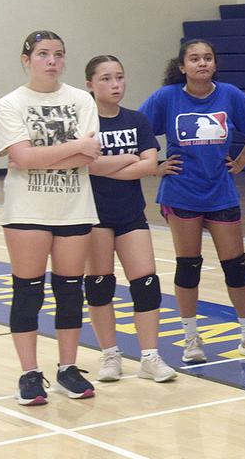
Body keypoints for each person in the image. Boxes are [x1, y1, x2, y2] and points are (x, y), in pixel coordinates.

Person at [139, 39, 245, 364]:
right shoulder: (167, 97)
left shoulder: (230, 95)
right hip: (181, 192)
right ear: (182, 66)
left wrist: (241, 162)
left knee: (236, 266)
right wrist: (154, 166)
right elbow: (139, 130)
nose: (202, 63)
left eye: (207, 58)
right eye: (194, 59)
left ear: (215, 63)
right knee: (188, 265)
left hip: (221, 191)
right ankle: (190, 338)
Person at [0, 30, 100, 405]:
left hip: (74, 207)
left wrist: (38, 154)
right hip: (26, 210)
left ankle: (67, 368)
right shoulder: (10, 103)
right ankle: (29, 373)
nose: (51, 61)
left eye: (58, 54)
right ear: (27, 59)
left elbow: (91, 157)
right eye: (43, 54)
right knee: (28, 292)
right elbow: (23, 159)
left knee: (71, 292)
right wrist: (73, 148)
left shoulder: (81, 99)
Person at [83, 55, 177, 382]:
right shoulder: (85, 123)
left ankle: (150, 357)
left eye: (119, 77)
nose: (115, 85)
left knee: (147, 283)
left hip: (130, 213)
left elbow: (151, 164)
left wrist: (109, 164)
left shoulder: (137, 120)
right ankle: (110, 355)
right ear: (90, 85)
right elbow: (85, 165)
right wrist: (128, 159)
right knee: (99, 285)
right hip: (94, 215)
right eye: (106, 78)